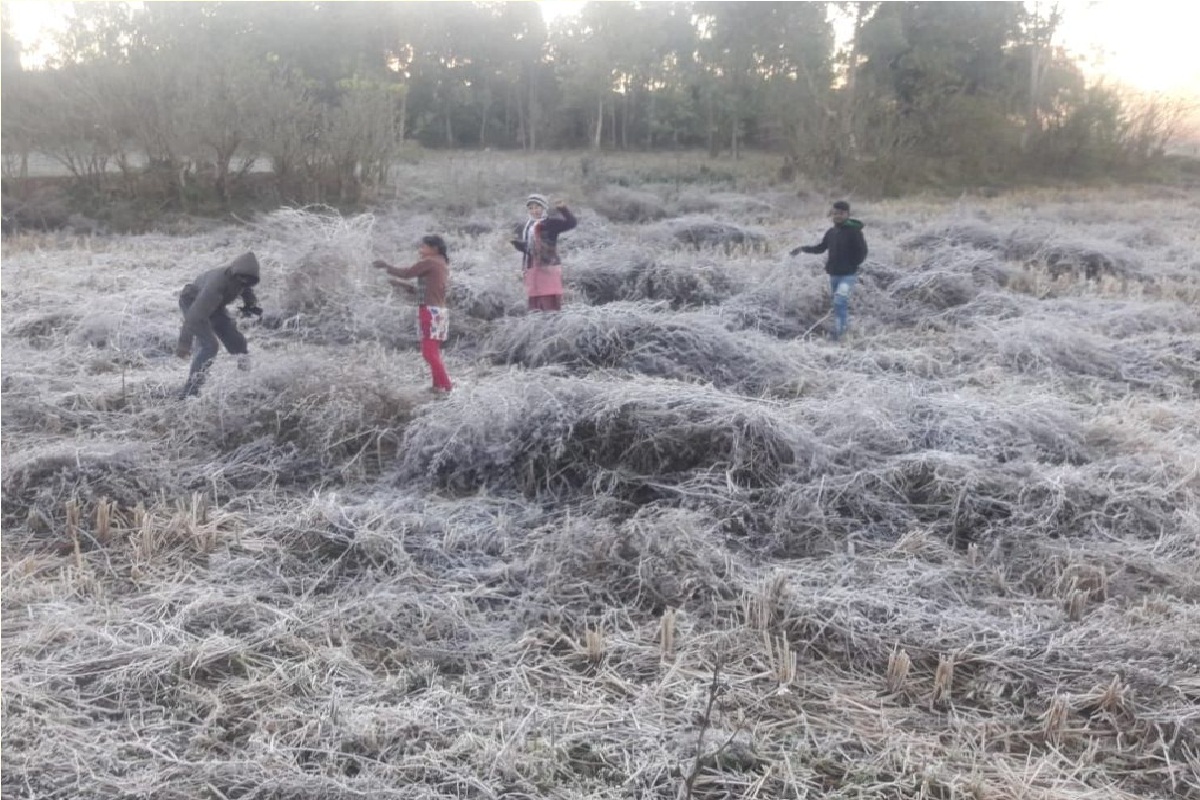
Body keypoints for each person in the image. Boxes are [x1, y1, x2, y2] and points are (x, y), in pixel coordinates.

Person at [372, 235, 454, 394]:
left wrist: (385, 266)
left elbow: (407, 272)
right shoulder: (441, 263)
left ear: (434, 248)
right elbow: (425, 290)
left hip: (430, 312)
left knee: (429, 353)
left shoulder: (431, 262)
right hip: (439, 312)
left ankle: (447, 387)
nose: (420, 250)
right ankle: (437, 386)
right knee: (433, 353)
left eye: (423, 247)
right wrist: (400, 285)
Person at [175, 251, 263, 398]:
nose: (243, 282)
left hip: (216, 306)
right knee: (210, 346)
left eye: (248, 281)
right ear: (233, 273)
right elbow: (193, 317)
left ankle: (246, 385)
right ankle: (189, 393)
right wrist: (184, 344)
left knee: (239, 344)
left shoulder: (243, 278)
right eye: (241, 279)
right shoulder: (216, 286)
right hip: (192, 301)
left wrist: (250, 305)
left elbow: (246, 290)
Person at [790, 200, 868, 340]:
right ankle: (841, 329)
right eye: (835, 213)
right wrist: (802, 249)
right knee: (838, 304)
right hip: (833, 275)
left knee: (840, 301)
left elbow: (862, 252)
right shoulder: (832, 232)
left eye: (841, 213)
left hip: (848, 275)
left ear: (848, 214)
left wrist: (853, 265)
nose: (838, 216)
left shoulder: (854, 232)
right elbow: (821, 248)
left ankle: (840, 335)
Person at [510, 193, 576, 312]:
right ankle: (537, 325)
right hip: (532, 267)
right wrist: (518, 245)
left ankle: (551, 324)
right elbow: (530, 249)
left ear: (544, 207)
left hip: (548, 266)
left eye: (537, 207)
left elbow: (571, 223)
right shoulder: (527, 226)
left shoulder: (551, 223)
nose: (534, 211)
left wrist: (563, 209)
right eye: (531, 208)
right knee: (534, 301)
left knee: (549, 300)